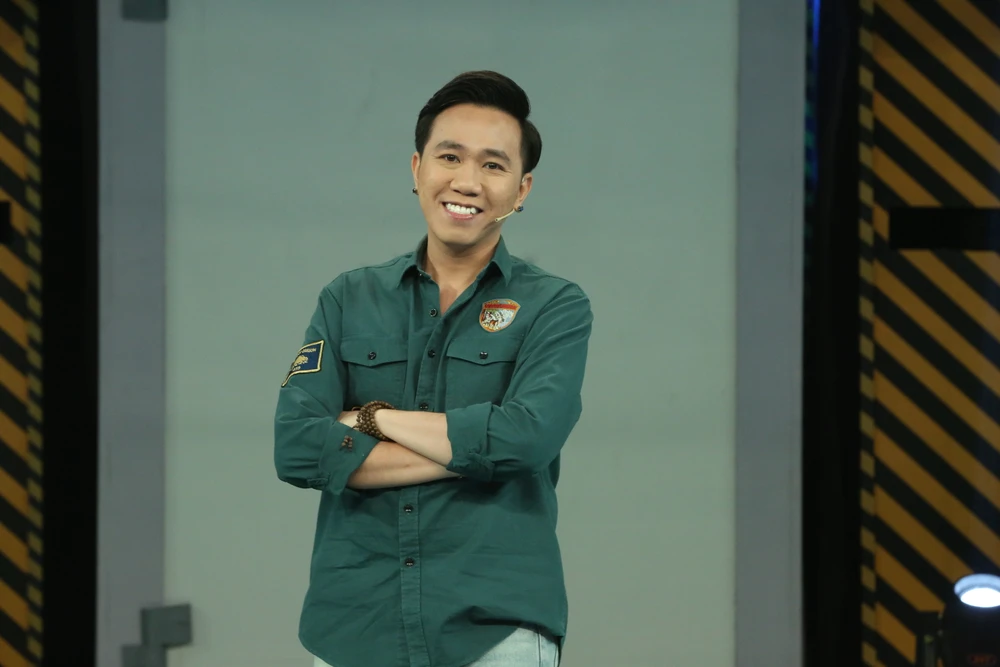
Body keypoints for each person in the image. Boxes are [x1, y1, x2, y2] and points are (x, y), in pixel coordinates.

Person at [273, 70, 593, 667]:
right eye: (450, 156)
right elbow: (296, 447)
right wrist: (477, 449)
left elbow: (526, 441)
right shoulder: (347, 298)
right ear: (417, 168)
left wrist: (370, 419)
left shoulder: (555, 306)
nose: (467, 181)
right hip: (354, 626)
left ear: (522, 189)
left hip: (496, 631)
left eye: (493, 165)